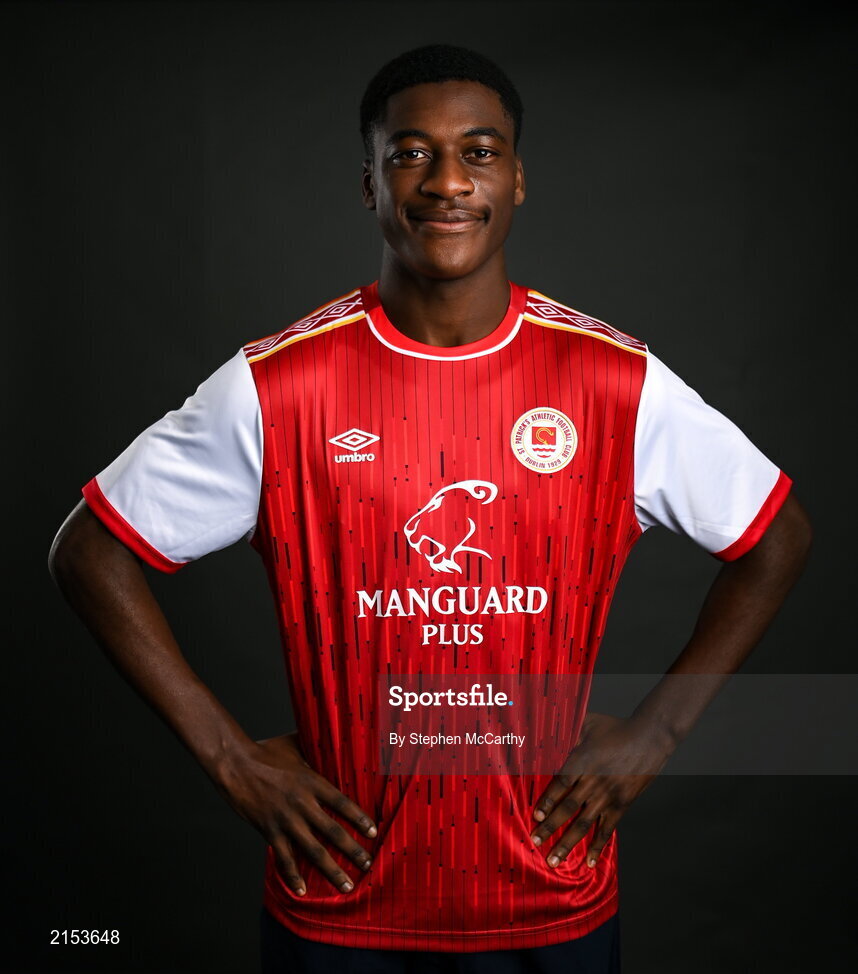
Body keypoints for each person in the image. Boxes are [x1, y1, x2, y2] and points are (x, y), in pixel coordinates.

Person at [49, 44, 811, 974]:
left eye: (479, 152)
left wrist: (660, 731)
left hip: (550, 899)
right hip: (340, 906)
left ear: (518, 178)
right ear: (368, 181)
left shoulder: (615, 384)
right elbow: (89, 552)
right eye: (411, 153)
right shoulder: (279, 388)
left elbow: (777, 539)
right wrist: (231, 760)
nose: (447, 180)